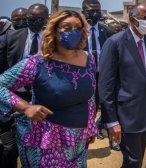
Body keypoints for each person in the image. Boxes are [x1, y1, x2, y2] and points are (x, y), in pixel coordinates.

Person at [0, 10, 97, 167]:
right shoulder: (38, 63)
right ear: (54, 30)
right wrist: (25, 107)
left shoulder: (89, 59)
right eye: (67, 27)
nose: (73, 32)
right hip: (48, 140)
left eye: (78, 28)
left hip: (79, 139)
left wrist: (90, 126)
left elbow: (89, 97)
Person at [99, 4, 146, 168]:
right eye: (145, 18)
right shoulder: (115, 43)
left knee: (137, 159)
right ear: (133, 20)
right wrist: (111, 121)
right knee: (133, 161)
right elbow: (106, 86)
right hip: (126, 115)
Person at [81, 0, 117, 149]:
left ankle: (113, 139)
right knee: (89, 108)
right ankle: (84, 140)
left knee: (109, 106)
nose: (95, 14)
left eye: (97, 10)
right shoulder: (78, 30)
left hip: (104, 76)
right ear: (83, 12)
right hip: (83, 77)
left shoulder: (106, 30)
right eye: (91, 11)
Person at [0, 4, 49, 101]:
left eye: (39, 19)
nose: (34, 22)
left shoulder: (53, 39)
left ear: (47, 19)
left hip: (42, 94)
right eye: (31, 19)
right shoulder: (11, 37)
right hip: (14, 93)